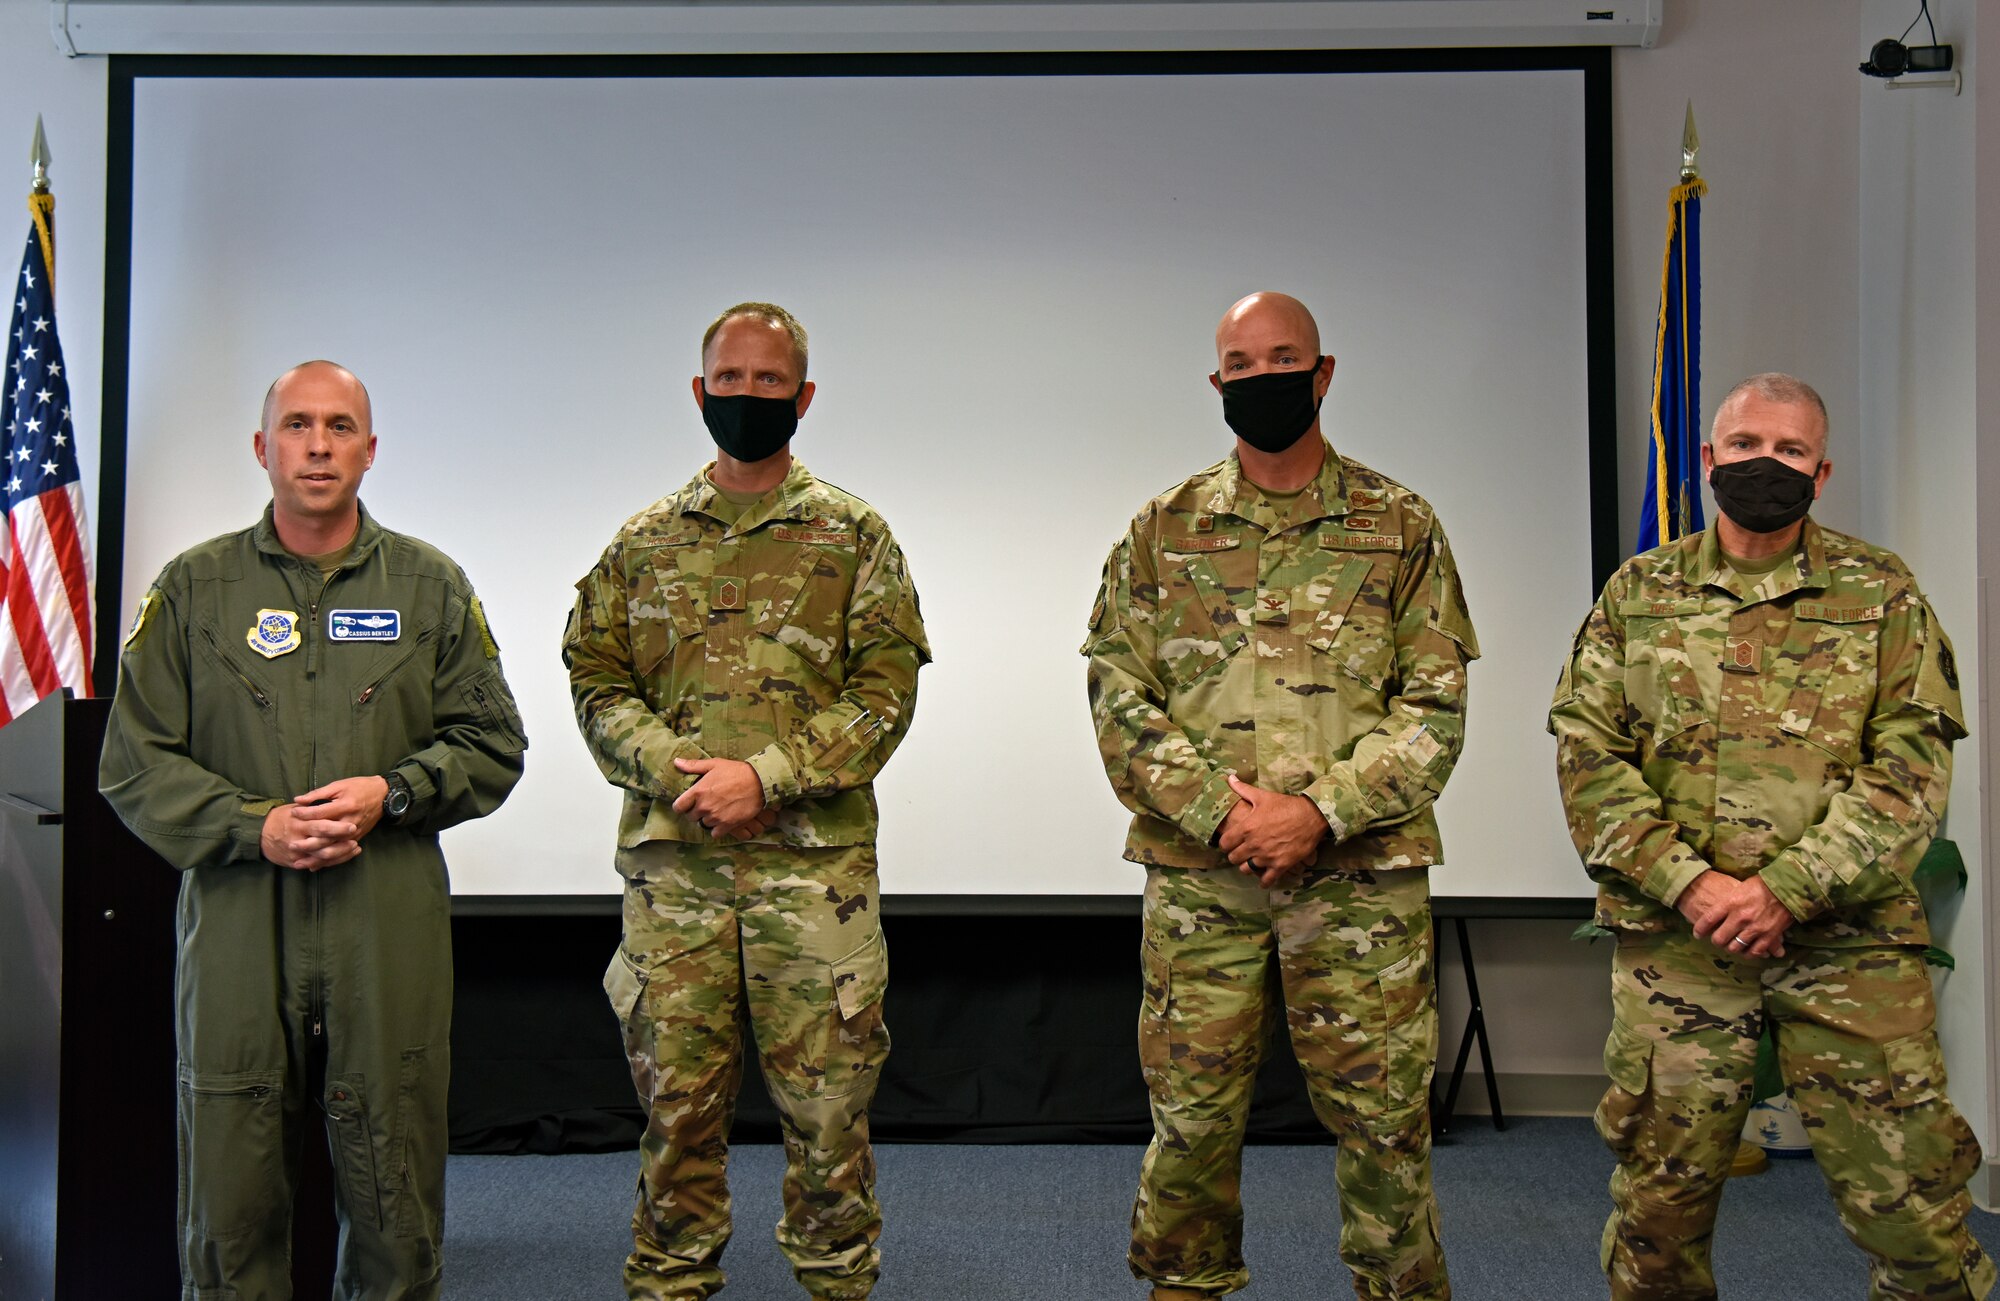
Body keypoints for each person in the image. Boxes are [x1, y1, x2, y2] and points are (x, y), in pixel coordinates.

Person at [1548, 372, 1994, 1300]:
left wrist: (1787, 889)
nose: (1766, 464)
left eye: (1790, 451)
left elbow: (1912, 770)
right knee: (1657, 1220)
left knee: (1911, 1208)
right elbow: (1589, 757)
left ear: (1822, 472)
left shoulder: (1882, 592)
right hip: (1682, 948)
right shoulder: (1640, 591)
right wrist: (1690, 883)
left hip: (1850, 946)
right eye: (1746, 445)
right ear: (1708, 460)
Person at [98, 359, 528, 1298]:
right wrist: (254, 826)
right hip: (241, 921)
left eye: (340, 426)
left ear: (371, 450)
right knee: (230, 1190)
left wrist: (395, 794)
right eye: (298, 425)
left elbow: (494, 744)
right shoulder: (194, 590)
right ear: (263, 447)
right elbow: (134, 761)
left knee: (395, 1182)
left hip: (386, 921)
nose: (319, 444)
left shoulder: (431, 585)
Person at [1081, 292, 1476, 1300]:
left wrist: (1321, 810)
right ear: (1217, 383)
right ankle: (1185, 1286)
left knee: (1383, 1125)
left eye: (1282, 358)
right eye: (1240, 363)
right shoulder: (1161, 529)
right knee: (1190, 1119)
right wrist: (1220, 809)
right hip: (1200, 880)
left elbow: (1433, 707)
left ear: (1323, 372)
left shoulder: (1399, 525)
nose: (1261, 378)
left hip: (1359, 883)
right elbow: (1117, 694)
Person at [564, 302, 930, 1301]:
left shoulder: (854, 536)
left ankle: (835, 1277)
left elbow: (883, 697)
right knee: (676, 1110)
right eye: (729, 381)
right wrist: (685, 773)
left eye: (769, 384)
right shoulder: (642, 542)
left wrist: (762, 777)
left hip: (815, 885)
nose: (747, 399)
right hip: (674, 878)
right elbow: (596, 680)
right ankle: (672, 1278)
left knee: (827, 1116)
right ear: (698, 392)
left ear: (803, 397)